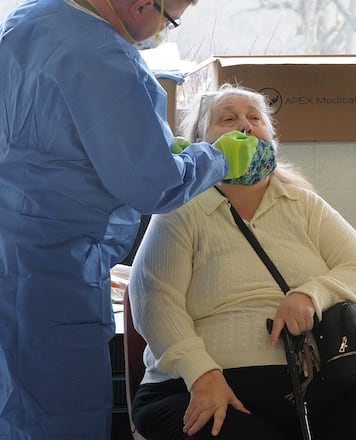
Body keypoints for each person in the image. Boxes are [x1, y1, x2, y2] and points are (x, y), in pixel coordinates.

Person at [0, 0, 237, 438]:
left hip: (13, 251)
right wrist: (217, 160)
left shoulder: (28, 20)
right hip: (52, 272)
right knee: (58, 415)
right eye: (171, 20)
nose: (165, 30)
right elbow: (153, 184)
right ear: (143, 4)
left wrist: (162, 153)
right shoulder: (101, 56)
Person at [127, 84, 356, 440]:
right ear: (199, 143)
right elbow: (155, 301)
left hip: (308, 382)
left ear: (271, 138)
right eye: (228, 119)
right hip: (196, 385)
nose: (245, 126)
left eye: (255, 119)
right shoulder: (180, 210)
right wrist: (202, 374)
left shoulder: (304, 205)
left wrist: (311, 295)